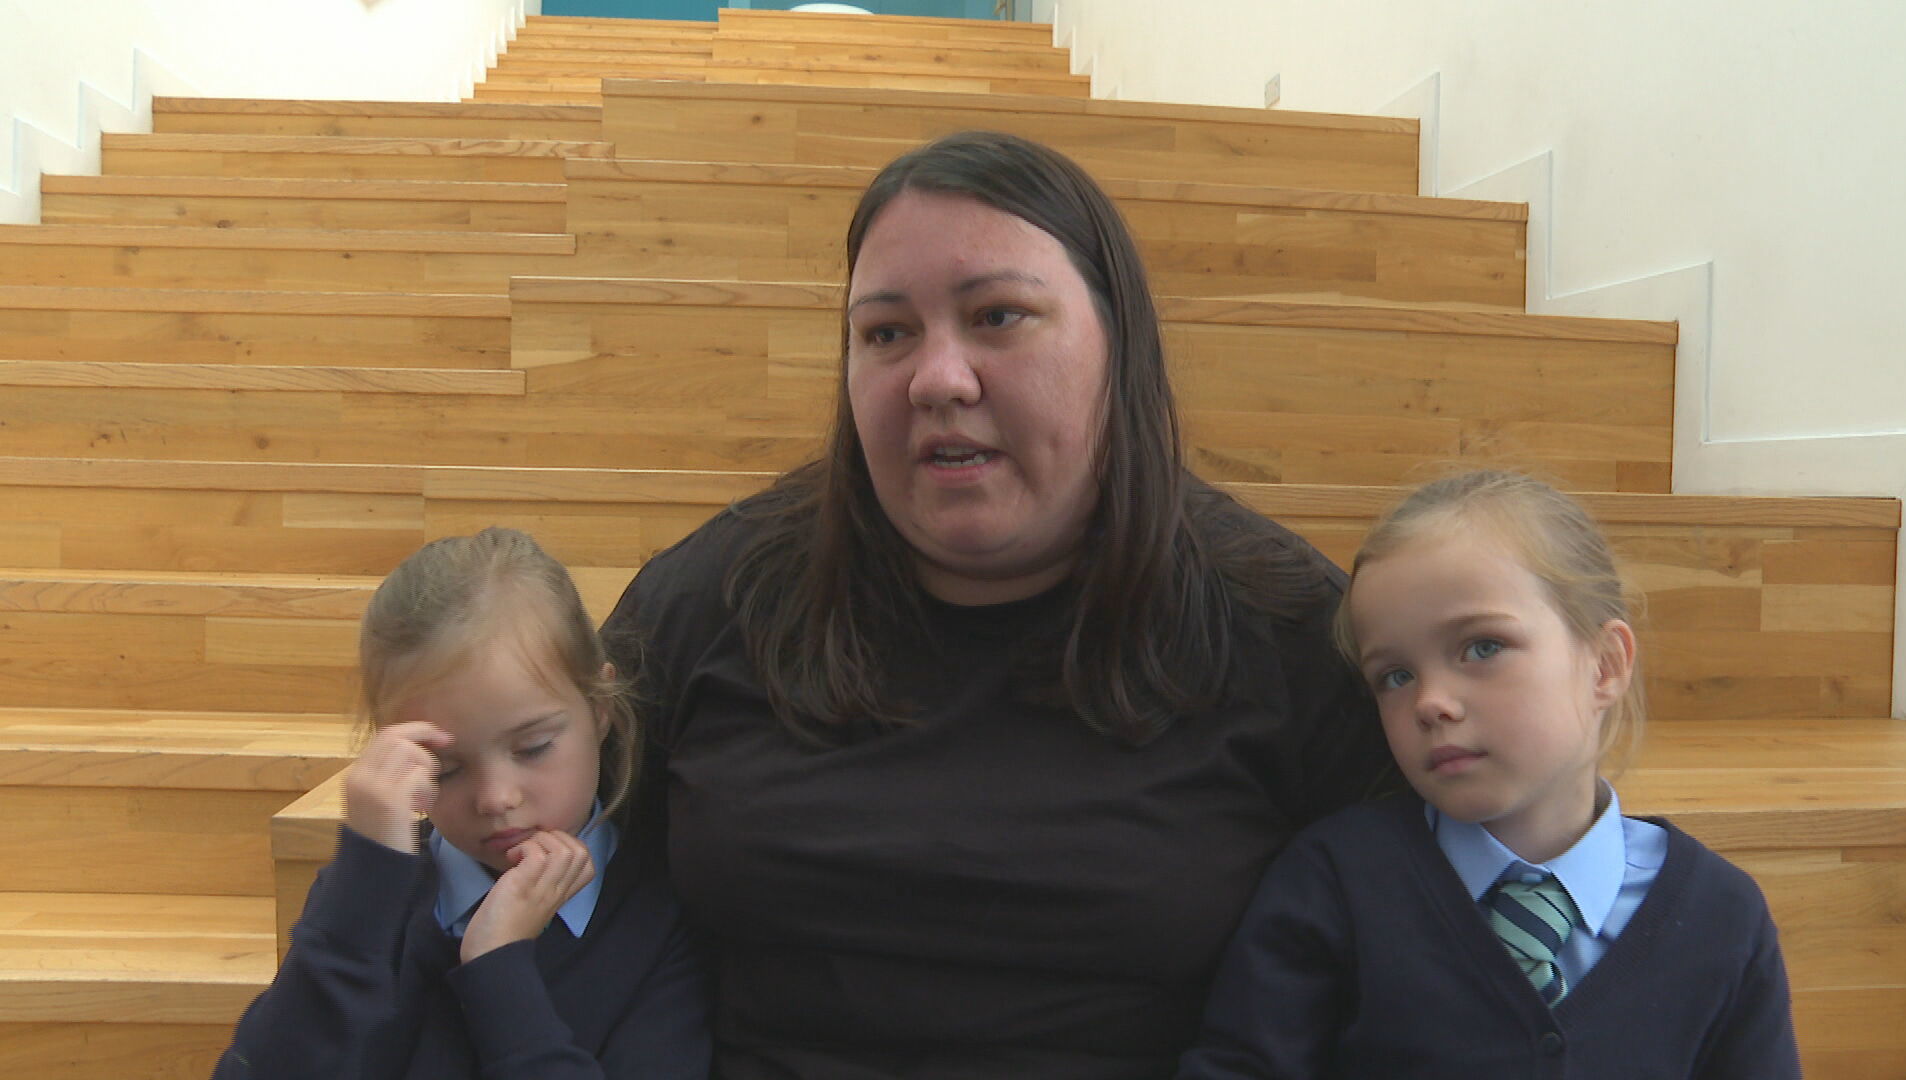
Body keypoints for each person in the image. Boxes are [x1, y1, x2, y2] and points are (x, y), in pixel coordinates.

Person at [599, 130, 1396, 1079]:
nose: (939, 379)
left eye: (999, 316)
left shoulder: (1292, 629)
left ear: (1119, 345)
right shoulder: (704, 602)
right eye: (886, 333)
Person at [1177, 470, 1801, 1079]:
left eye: (1481, 647)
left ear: (1605, 665)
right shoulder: (1336, 881)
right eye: (1395, 675)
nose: (1430, 702)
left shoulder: (1722, 916)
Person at [213, 528, 709, 1080]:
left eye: (534, 747)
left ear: (599, 710)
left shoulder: (660, 910)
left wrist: (499, 965)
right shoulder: (372, 892)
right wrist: (367, 871)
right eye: (446, 767)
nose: (497, 799)